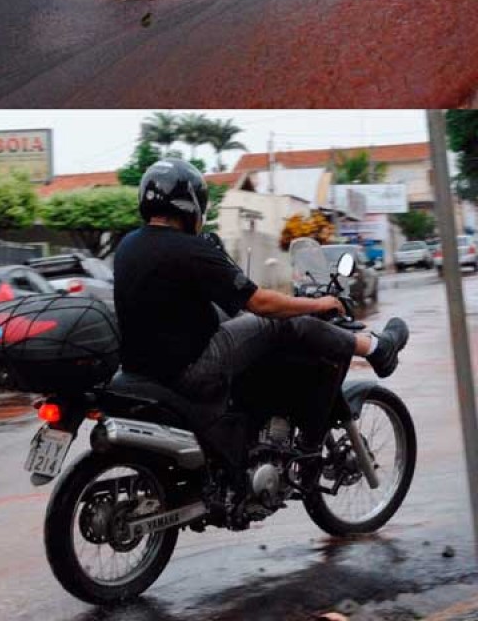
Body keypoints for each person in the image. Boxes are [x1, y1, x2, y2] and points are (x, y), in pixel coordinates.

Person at [113, 159, 409, 480]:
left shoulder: (128, 245)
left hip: (142, 368)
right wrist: (316, 303)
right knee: (280, 323)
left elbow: (176, 303)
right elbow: (261, 303)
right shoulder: (190, 250)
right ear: (191, 204)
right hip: (192, 369)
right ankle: (374, 347)